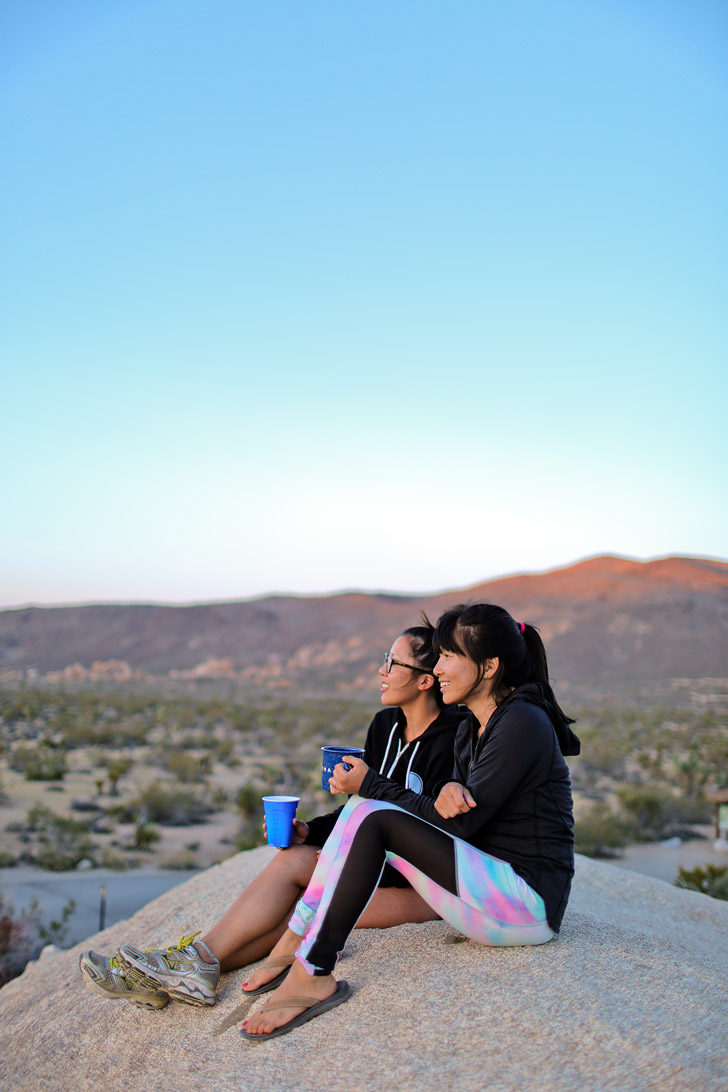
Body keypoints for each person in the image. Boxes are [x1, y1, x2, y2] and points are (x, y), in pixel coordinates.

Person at [239, 602, 580, 1041]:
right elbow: (451, 810)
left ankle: (313, 969)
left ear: (490, 666)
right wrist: (446, 790)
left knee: (374, 812)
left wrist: (377, 785)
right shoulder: (471, 728)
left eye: (449, 656)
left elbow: (458, 827)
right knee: (363, 809)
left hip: (525, 904)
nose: (437, 668)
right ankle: (297, 941)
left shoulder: (523, 721)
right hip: (483, 892)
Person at [79, 622, 460, 1009]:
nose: (382, 670)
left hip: (420, 884)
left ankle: (192, 962)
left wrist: (344, 841)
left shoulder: (454, 737)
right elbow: (357, 813)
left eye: (393, 663)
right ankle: (179, 972)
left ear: (426, 681)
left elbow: (436, 830)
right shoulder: (385, 727)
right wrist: (309, 830)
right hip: (370, 865)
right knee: (294, 888)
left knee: (300, 900)